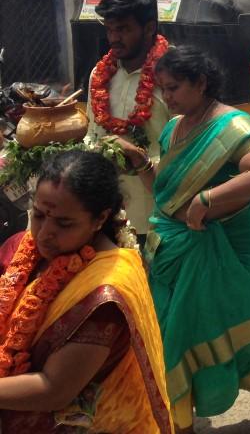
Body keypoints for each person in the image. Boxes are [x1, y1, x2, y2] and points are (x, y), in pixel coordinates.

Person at [126, 47, 250, 432]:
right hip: (178, 247)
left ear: (201, 83)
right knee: (171, 331)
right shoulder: (176, 127)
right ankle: (179, 417)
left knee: (234, 329)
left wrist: (208, 199)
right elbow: (166, 192)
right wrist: (141, 163)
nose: (168, 97)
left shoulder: (235, 126)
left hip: (231, 248)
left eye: (174, 87)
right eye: (163, 89)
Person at [0, 151, 172, 432]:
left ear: (100, 218)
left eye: (64, 223)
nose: (44, 233)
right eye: (39, 215)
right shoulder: (26, 246)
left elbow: (54, 389)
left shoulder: (105, 295)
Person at [85, 0, 171, 238]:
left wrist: (139, 160)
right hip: (106, 214)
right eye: (110, 29)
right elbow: (92, 134)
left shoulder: (175, 76)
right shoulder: (99, 75)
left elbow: (185, 150)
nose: (113, 38)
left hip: (158, 216)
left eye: (122, 29)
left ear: (149, 28)